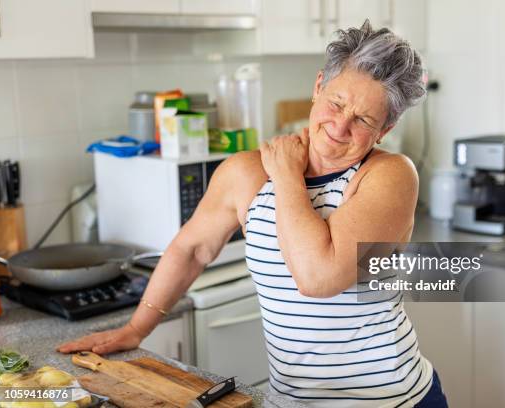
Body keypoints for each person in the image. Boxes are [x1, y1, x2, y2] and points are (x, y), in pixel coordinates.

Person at [58, 20, 448, 408]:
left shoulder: (389, 175)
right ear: (318, 88)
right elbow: (191, 249)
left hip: (390, 400)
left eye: (363, 120)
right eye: (336, 102)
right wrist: (136, 328)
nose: (340, 127)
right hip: (292, 401)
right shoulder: (245, 172)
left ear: (385, 129)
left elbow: (317, 277)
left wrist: (286, 176)